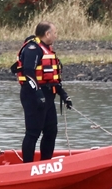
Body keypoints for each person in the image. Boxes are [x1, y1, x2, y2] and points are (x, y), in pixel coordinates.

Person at [10, 21, 72, 163]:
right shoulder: (33, 48)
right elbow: (29, 73)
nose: (56, 36)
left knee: (51, 131)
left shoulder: (48, 50)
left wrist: (63, 94)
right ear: (47, 33)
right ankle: (27, 165)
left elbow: (52, 79)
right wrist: (38, 94)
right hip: (32, 95)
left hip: (48, 95)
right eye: (54, 33)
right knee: (33, 133)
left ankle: (45, 163)